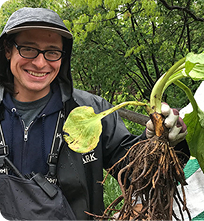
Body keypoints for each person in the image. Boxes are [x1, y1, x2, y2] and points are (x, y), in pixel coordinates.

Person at [0, 7, 190, 220]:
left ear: (64, 56)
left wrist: (160, 139)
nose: (40, 62)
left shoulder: (93, 110)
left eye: (52, 52)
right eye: (28, 49)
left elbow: (134, 173)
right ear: (8, 49)